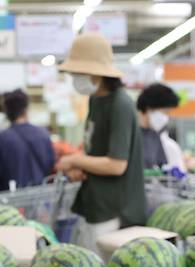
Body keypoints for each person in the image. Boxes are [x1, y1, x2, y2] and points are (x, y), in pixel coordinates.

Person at [55, 33, 146, 252]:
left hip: (114, 210)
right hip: (95, 205)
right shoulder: (96, 100)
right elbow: (95, 152)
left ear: (98, 73)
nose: (75, 77)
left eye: (79, 72)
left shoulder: (120, 105)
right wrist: (81, 166)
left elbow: (117, 165)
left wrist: (76, 160)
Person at [0, 89, 55, 191]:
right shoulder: (43, 134)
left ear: (6, 111)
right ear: (26, 109)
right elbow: (50, 164)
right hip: (40, 193)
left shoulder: (1, 139)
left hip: (12, 196)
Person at [136, 83, 184, 171]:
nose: (166, 117)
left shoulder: (155, 134)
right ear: (149, 108)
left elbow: (161, 167)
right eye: (165, 112)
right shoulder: (130, 133)